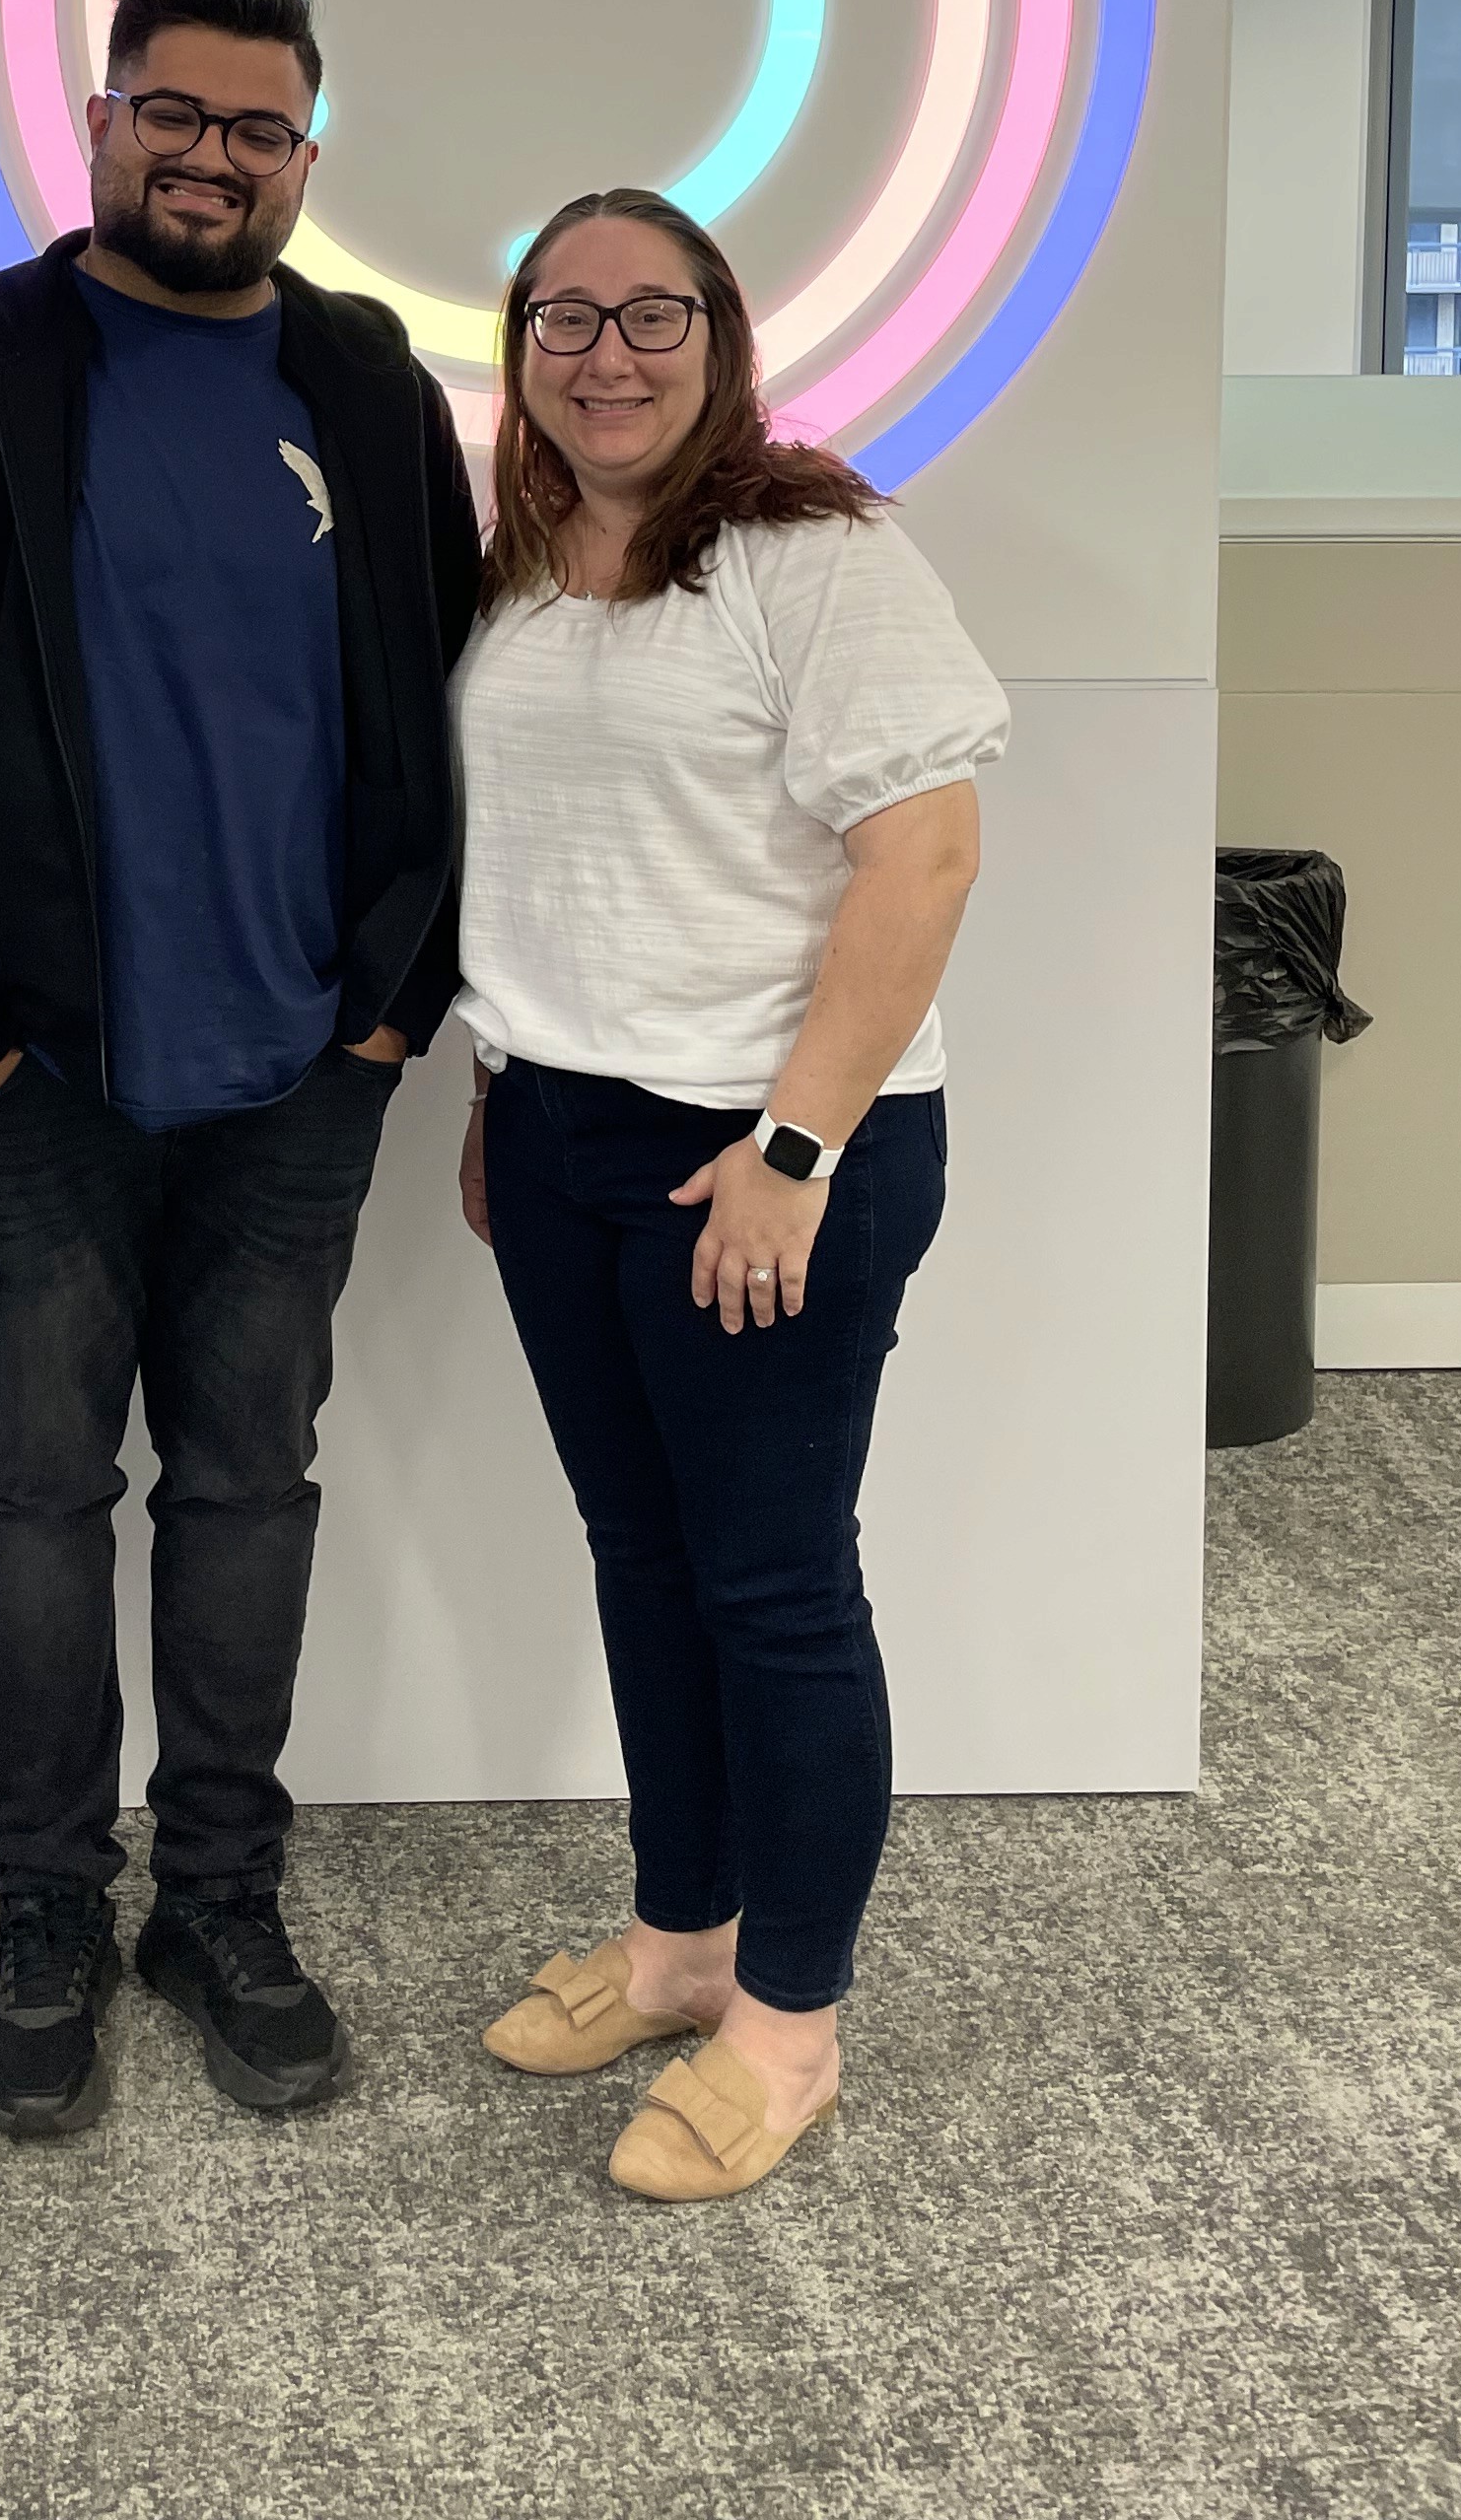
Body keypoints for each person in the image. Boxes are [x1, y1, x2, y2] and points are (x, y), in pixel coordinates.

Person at [0, 0, 481, 2137]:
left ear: (306, 157)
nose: (210, 158)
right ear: (99, 123)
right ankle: (45, 1917)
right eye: (170, 114)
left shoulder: (363, 383)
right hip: (41, 1080)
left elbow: (449, 705)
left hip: (303, 1072)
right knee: (35, 1484)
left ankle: (219, 1906)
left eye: (256, 129)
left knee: (250, 1483)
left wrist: (398, 1008)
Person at [454, 188, 1007, 2203]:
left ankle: (789, 2023)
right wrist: (505, 1089)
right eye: (564, 317)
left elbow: (924, 860)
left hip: (760, 1156)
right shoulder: (526, 571)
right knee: (642, 1554)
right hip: (563, 1135)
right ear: (520, 348)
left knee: (773, 1589)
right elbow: (555, 865)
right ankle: (683, 1939)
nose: (606, 353)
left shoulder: (812, 555)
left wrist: (793, 1152)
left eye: (650, 314)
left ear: (723, 335)